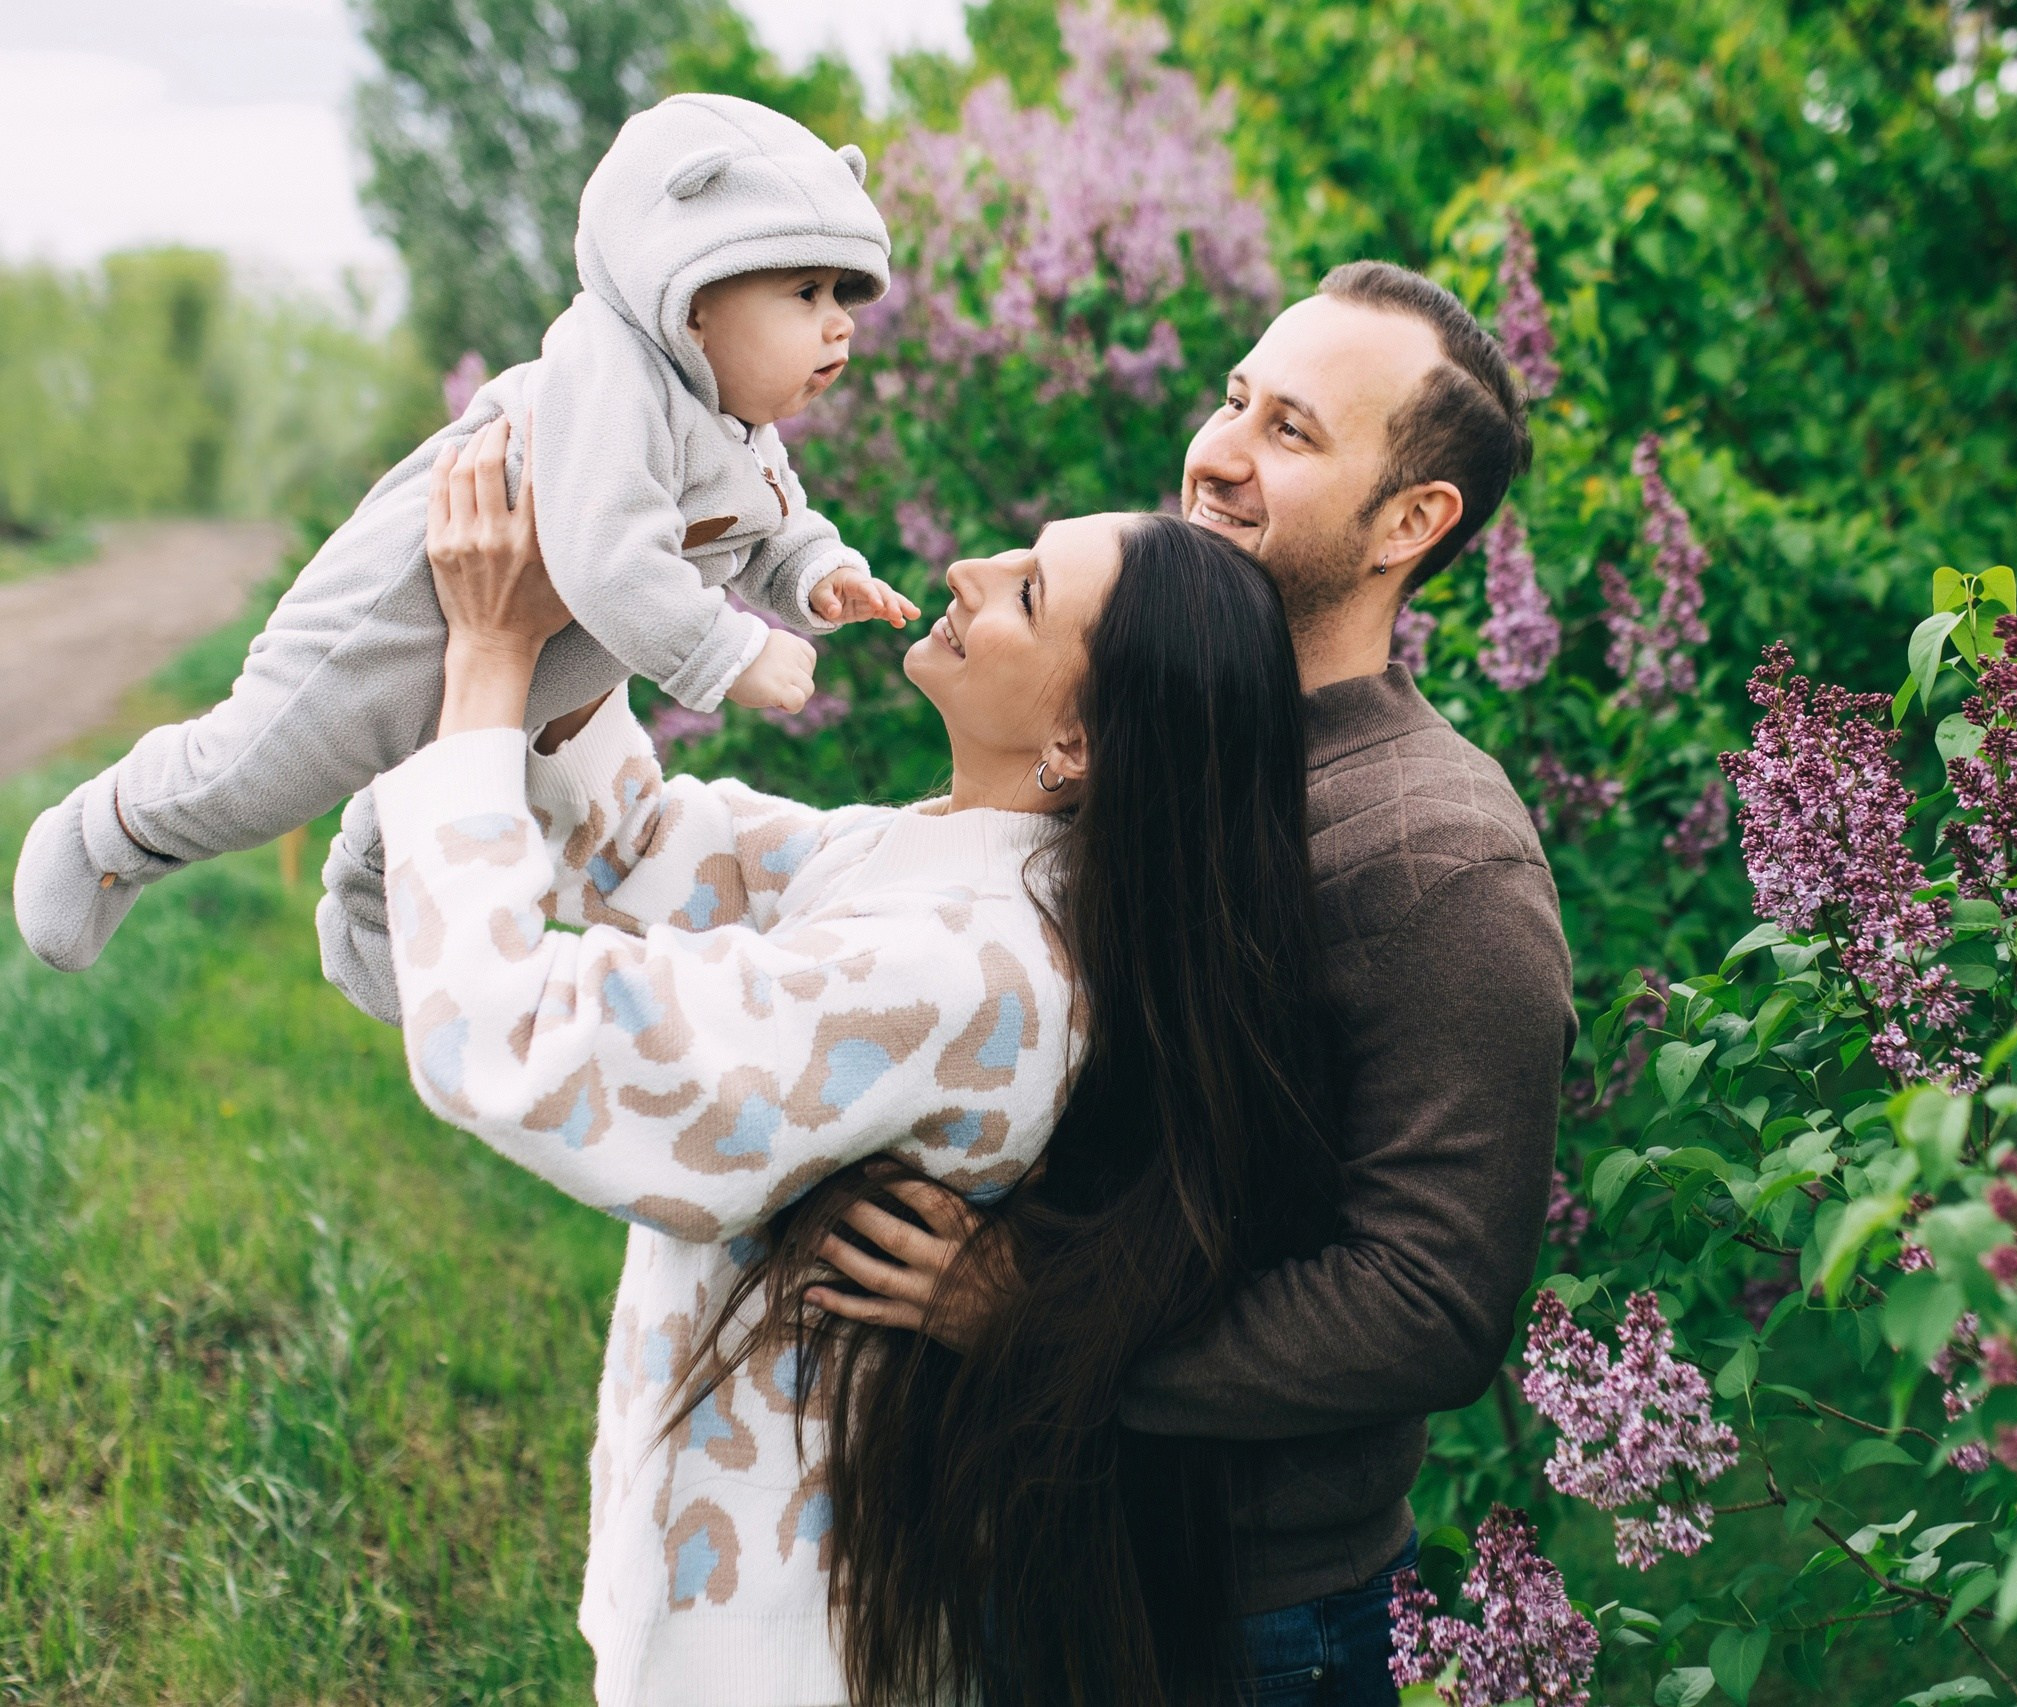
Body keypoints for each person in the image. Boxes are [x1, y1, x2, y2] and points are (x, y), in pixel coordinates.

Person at [386, 418, 1332, 1706]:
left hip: (788, 1645)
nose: (969, 570)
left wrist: (493, 656)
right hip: (761, 1582)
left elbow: (512, 1039)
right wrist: (596, 595)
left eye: (1028, 591)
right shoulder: (949, 863)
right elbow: (652, 845)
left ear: (1079, 746)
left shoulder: (974, 971)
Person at [819, 261, 1578, 1702]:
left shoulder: (1438, 852)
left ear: (1412, 522)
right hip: (1033, 1544)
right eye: (1236, 396)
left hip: (1239, 1626)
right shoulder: (1137, 724)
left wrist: (1038, 1318)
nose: (1216, 450)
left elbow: (1431, 1298)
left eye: (1291, 431)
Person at [12, 92, 916, 1004]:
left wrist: (817, 573)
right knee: (263, 772)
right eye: (804, 293)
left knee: (457, 773)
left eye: (844, 294)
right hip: (394, 619)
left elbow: (772, 517)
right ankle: (108, 830)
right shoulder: (608, 374)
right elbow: (608, 555)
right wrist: (730, 652)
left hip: (525, 654)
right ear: (686, 300)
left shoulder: (733, 422)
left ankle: (372, 918)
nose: (839, 322)